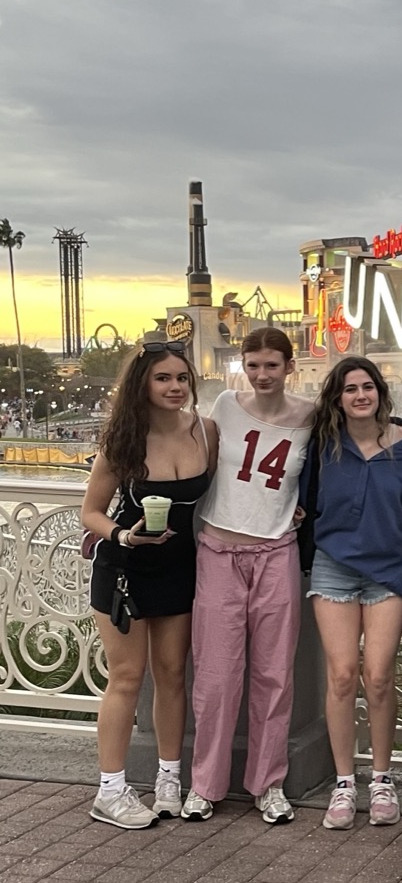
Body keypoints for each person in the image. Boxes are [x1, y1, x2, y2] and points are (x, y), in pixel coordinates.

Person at [82, 341, 218, 828]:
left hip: (182, 567)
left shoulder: (206, 431)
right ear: (143, 383)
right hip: (124, 567)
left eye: (182, 378)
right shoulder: (124, 440)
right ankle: (110, 790)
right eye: (163, 378)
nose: (175, 387)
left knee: (172, 675)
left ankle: (167, 779)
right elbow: (91, 512)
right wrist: (122, 534)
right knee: (126, 678)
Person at [182, 328, 313, 824]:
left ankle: (268, 783)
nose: (262, 375)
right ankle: (205, 784)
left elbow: (362, 432)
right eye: (253, 365)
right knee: (215, 677)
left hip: (276, 552)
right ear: (243, 366)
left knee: (274, 676)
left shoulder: (310, 416)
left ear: (289, 367)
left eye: (272, 366)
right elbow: (190, 453)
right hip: (219, 551)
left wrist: (306, 508)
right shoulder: (224, 406)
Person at [300, 357, 402, 830]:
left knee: (380, 675)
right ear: (338, 398)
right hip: (333, 566)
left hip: (390, 568)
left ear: (380, 392)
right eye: (350, 389)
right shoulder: (323, 445)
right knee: (343, 675)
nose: (360, 395)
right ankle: (345, 782)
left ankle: (383, 777)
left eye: (367, 387)